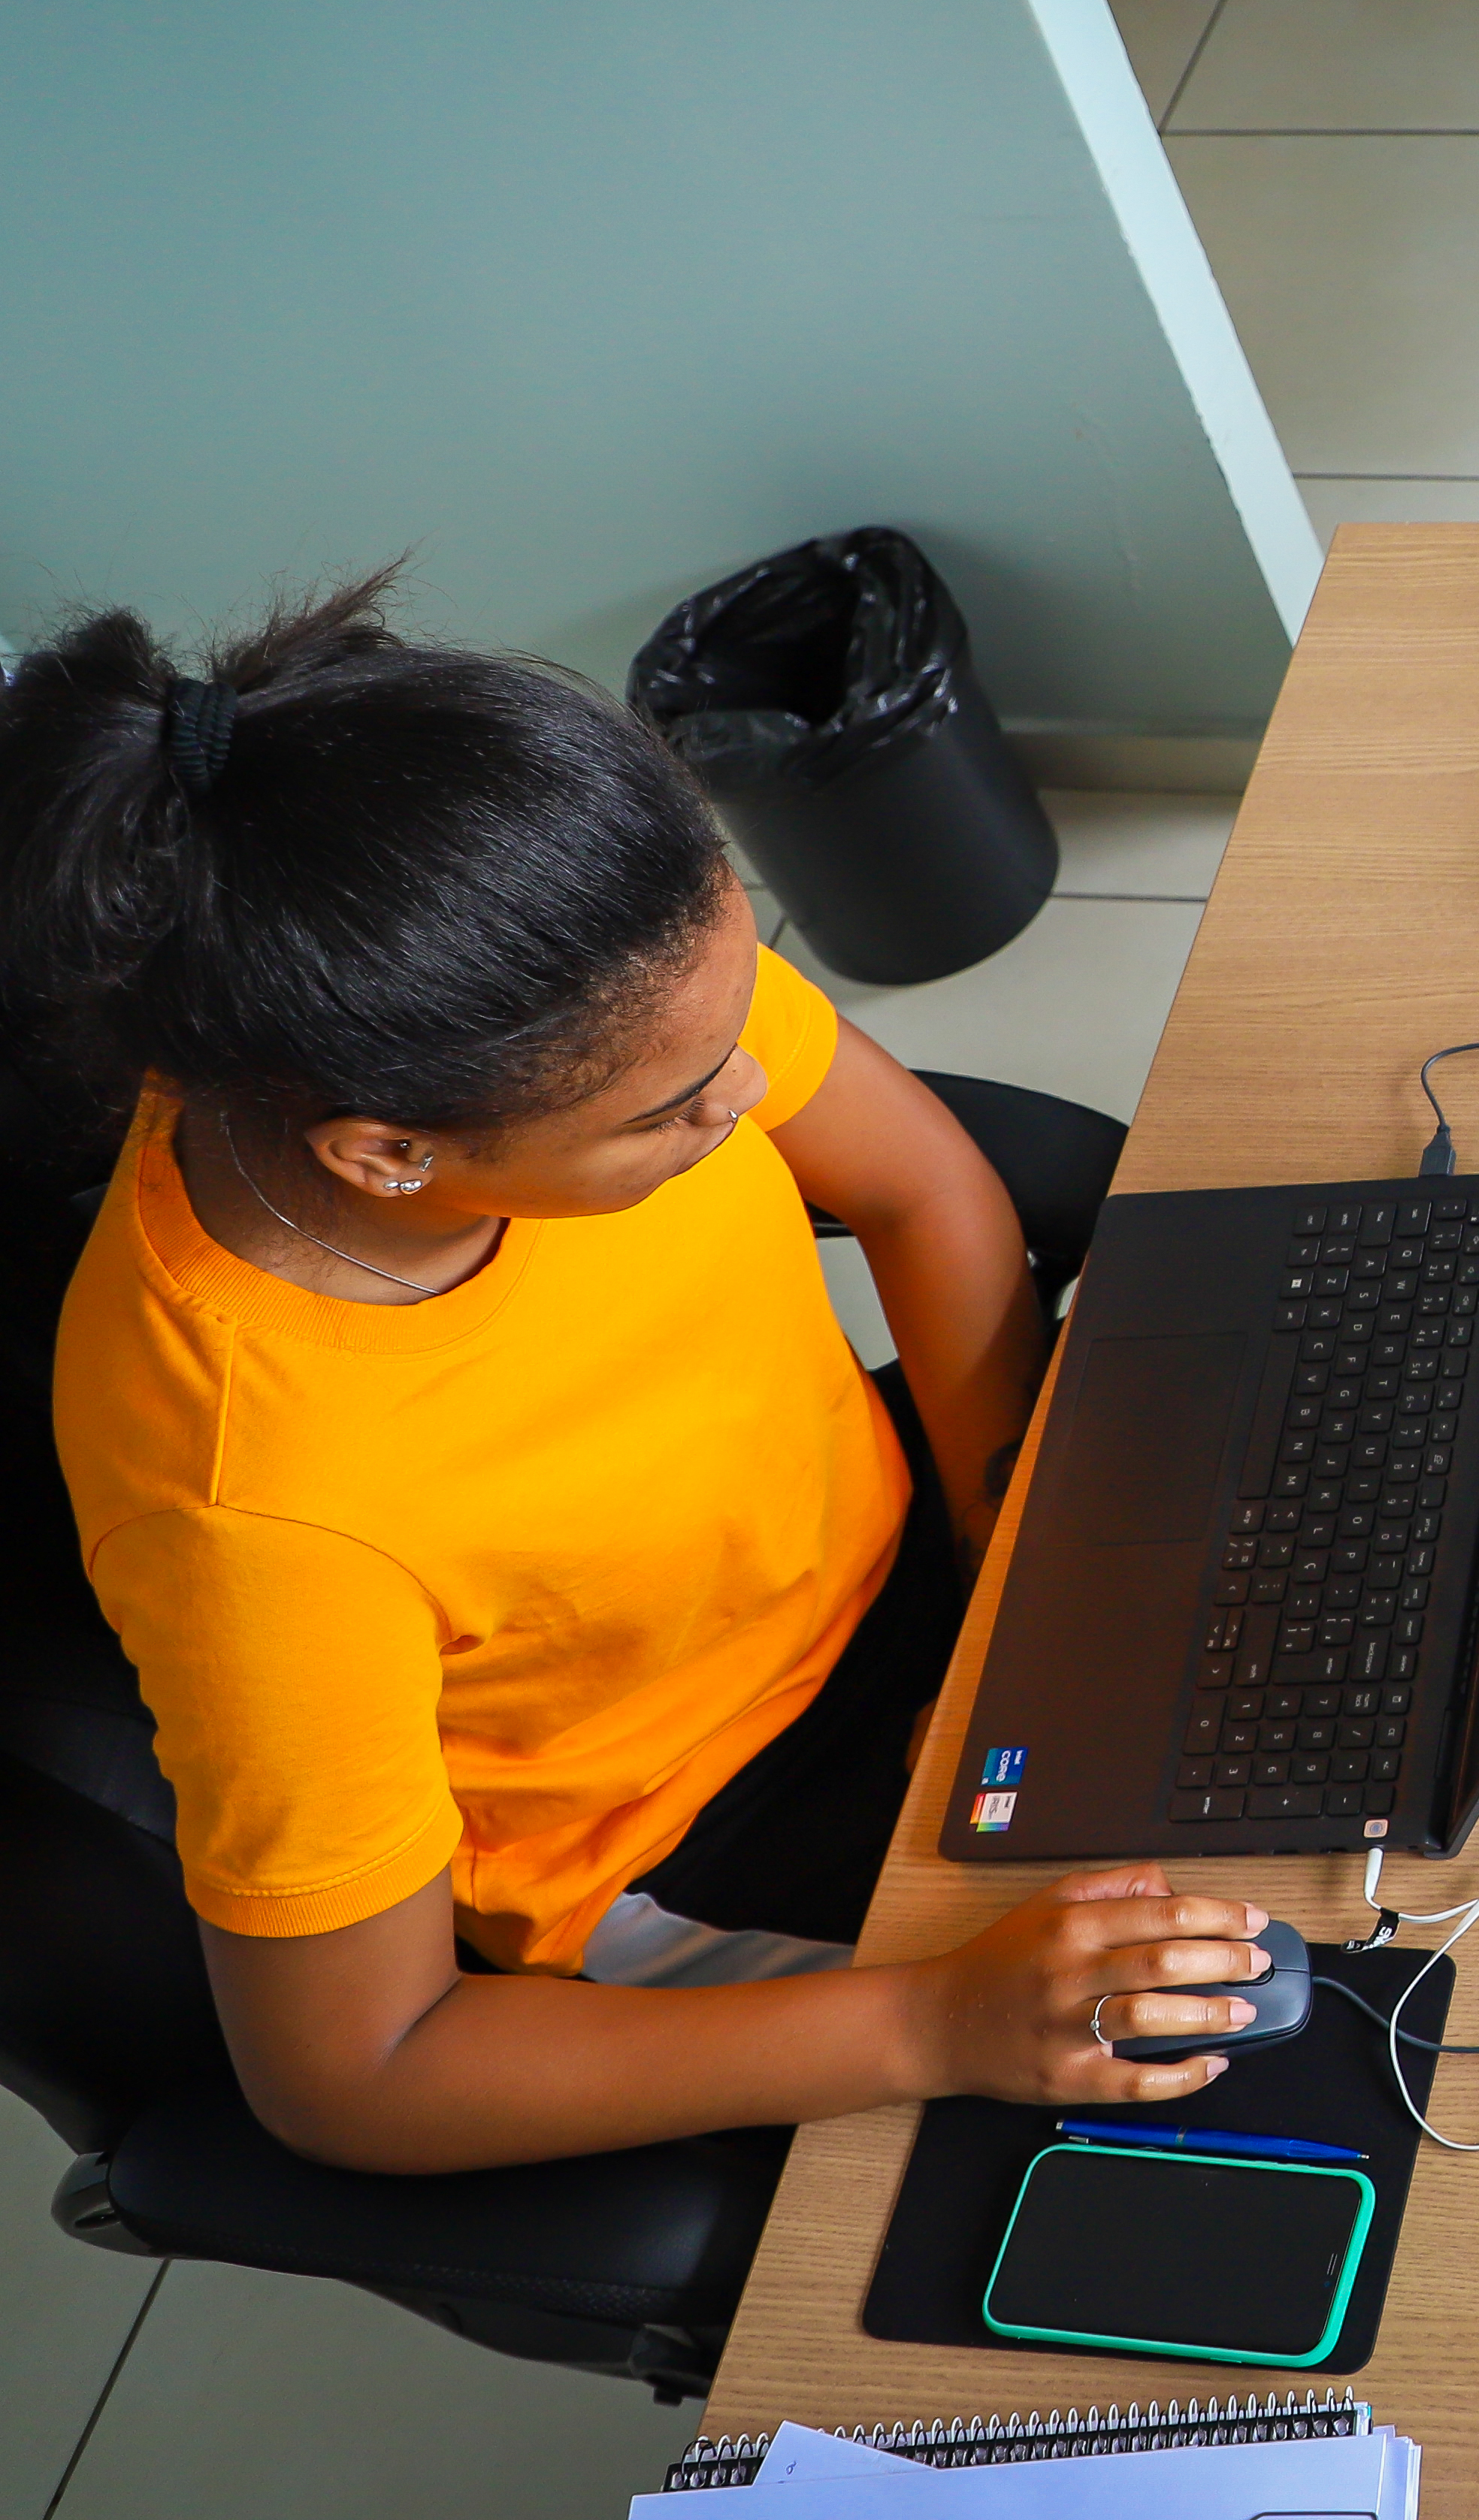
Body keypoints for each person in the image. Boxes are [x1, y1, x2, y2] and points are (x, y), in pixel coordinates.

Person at [0, 577, 1276, 2175]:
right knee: (1259, 2052)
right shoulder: (257, 1513)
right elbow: (359, 2070)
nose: (749, 1092)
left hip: (906, 1546)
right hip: (704, 1826)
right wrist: (929, 2022)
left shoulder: (581, 963)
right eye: (671, 1111)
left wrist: (1007, 1562)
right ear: (390, 1153)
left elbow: (924, 1185)